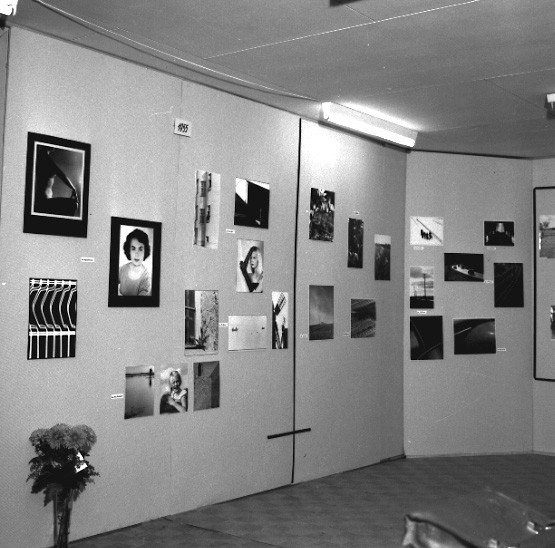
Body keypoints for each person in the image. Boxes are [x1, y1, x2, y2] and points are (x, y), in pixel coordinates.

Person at [34, 146, 80, 217]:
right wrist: (73, 188)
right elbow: (61, 175)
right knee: (73, 204)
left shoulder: (42, 157)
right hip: (43, 201)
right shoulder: (45, 158)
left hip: (43, 200)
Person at [119, 229, 151, 296]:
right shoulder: (121, 269)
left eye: (140, 249)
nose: (137, 254)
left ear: (145, 251)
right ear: (129, 251)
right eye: (133, 249)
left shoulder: (146, 278)